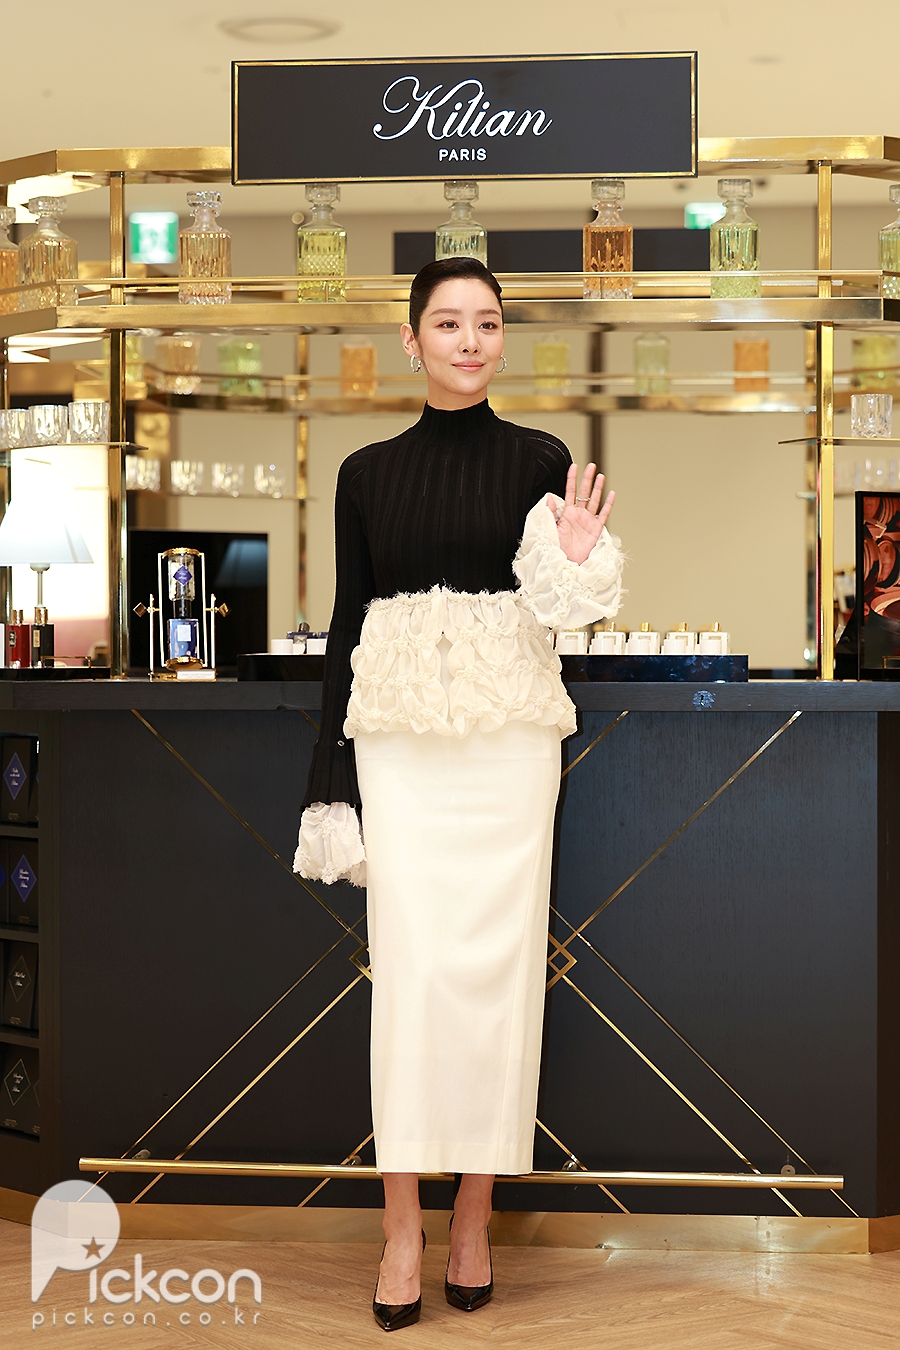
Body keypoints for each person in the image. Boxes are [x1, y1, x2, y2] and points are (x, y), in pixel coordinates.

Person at [295, 257, 623, 1331]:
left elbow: (564, 612)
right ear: (411, 340)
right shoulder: (364, 473)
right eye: (448, 323)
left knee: (500, 978)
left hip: (510, 749)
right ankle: (401, 1229)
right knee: (410, 979)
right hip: (400, 749)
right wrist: (328, 781)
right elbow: (347, 625)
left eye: (487, 322)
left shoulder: (541, 459)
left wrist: (578, 560)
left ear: (502, 338)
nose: (470, 340)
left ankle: (473, 1219)